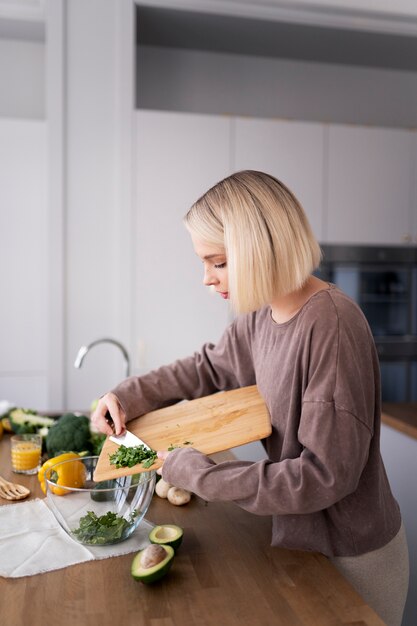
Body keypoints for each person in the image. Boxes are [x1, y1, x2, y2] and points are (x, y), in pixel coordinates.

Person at [92, 170, 409, 626]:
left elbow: (324, 477)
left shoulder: (332, 326)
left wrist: (201, 472)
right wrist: (126, 394)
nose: (206, 278)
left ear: (259, 248)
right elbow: (205, 368)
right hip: (299, 538)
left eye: (218, 262)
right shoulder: (262, 315)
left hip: (351, 556)